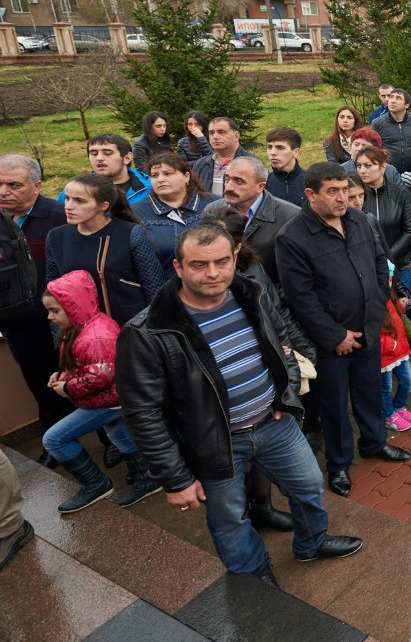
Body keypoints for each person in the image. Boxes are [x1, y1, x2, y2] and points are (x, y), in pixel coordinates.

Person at [116, 224, 363, 585]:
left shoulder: (253, 293)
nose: (213, 273)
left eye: (221, 261)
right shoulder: (146, 332)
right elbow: (143, 414)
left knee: (310, 486)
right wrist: (174, 478)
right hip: (213, 443)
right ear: (178, 267)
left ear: (234, 259)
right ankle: (253, 574)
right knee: (229, 517)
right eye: (199, 265)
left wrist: (287, 392)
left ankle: (311, 542)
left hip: (273, 423)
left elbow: (281, 346)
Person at [276, 163, 410, 497]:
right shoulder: (291, 237)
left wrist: (377, 308)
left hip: (367, 329)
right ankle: (338, 466)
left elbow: (381, 266)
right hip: (331, 343)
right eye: (332, 191)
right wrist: (335, 336)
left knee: (368, 392)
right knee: (334, 407)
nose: (342, 198)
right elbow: (300, 298)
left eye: (344, 190)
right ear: (311, 195)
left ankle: (374, 442)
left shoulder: (361, 220)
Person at [198, 208, 311, 532]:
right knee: (233, 474)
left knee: (268, 462)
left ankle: (262, 506)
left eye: (226, 242)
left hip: (264, 384)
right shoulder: (191, 284)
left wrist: (297, 357)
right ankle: (240, 520)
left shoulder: (254, 269)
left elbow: (278, 316)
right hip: (223, 398)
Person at [40, 270, 159, 512]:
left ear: (74, 306)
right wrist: (64, 375)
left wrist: (68, 387)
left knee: (54, 439)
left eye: (55, 311)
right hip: (114, 398)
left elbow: (101, 376)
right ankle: (146, 479)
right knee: (119, 434)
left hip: (108, 401)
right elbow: (88, 365)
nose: (50, 317)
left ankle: (96, 484)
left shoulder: (96, 337)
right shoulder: (84, 326)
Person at [0, 154, 73, 463]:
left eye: (14, 185)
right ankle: (55, 445)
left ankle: (107, 439)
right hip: (18, 324)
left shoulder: (60, 216)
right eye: (0, 184)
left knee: (81, 381)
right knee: (41, 384)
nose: (4, 191)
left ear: (37, 186)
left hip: (65, 323)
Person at [46, 174, 166, 327]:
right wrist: (62, 340)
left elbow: (154, 289)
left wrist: (150, 331)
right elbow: (54, 294)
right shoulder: (56, 237)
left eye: (79, 201)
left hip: (131, 330)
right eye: (67, 198)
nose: (68, 206)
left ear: (103, 206)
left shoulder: (130, 233)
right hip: (82, 333)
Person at [202, 157, 301, 286]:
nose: (229, 187)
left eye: (239, 181)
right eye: (227, 179)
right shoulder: (212, 210)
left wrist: (274, 302)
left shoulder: (290, 216)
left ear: (260, 187)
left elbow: (297, 274)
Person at [133, 153, 216, 273]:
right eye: (154, 175)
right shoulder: (136, 212)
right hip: (165, 287)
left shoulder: (214, 204)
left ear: (186, 176)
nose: (160, 179)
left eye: (168, 173)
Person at [355, 146, 411, 291]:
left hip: (400, 266)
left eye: (368, 166)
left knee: (400, 307)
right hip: (368, 269)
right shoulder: (357, 197)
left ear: (382, 167)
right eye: (358, 166)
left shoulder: (400, 193)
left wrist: (387, 258)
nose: (362, 170)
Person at [74, 133, 152, 206]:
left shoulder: (152, 188)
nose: (99, 158)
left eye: (107, 153)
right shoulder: (75, 189)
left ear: (127, 158)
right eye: (94, 154)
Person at [371, 88, 411, 176]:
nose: (392, 101)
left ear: (406, 105)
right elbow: (373, 150)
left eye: (398, 98)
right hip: (389, 175)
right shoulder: (377, 123)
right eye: (391, 97)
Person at [378, 299, 411, 432]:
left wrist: (400, 304)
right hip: (385, 354)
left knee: (408, 382)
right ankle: (389, 416)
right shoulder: (369, 299)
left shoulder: (387, 295)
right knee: (385, 388)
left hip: (399, 349)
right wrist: (388, 344)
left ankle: (398, 407)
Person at [193, 118, 251, 197]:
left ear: (236, 136)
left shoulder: (252, 164)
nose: (215, 137)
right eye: (211, 133)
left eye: (221, 132)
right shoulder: (201, 164)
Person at [265, 127, 307, 209]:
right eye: (269, 147)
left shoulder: (311, 181)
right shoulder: (263, 183)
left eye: (280, 148)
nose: (272, 153)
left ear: (295, 152)